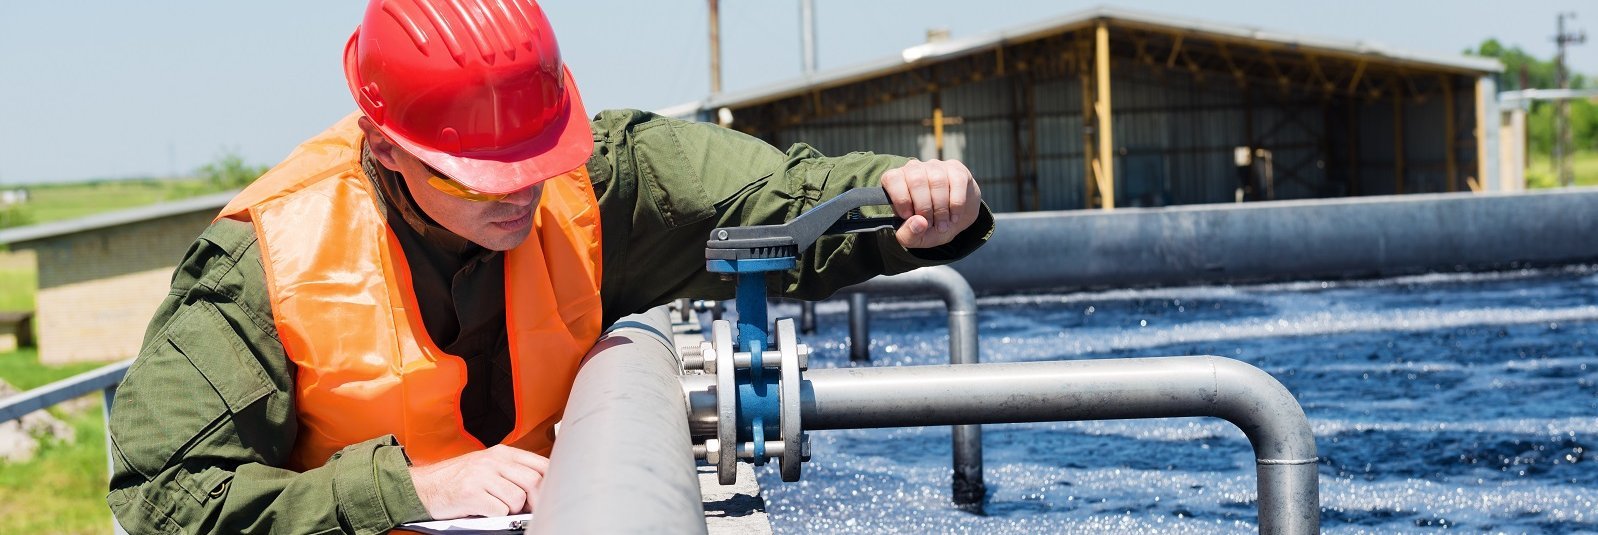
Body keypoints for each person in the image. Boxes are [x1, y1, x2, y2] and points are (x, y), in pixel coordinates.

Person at [105, 1, 992, 533]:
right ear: (385, 144)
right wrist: (408, 486)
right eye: (483, 177)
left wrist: (905, 204)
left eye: (536, 159)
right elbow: (168, 497)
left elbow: (781, 197)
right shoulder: (260, 261)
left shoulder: (599, 177)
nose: (521, 195)